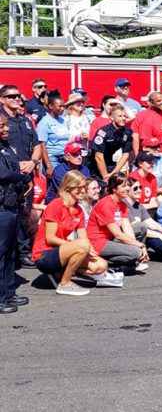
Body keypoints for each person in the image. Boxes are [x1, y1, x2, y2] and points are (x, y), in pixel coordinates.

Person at [32, 171, 113, 296]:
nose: (83, 191)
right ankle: (65, 283)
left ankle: (60, 273)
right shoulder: (56, 205)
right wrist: (76, 246)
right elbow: (50, 238)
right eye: (79, 188)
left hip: (62, 251)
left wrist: (92, 253)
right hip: (44, 255)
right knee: (82, 246)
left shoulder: (79, 210)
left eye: (84, 188)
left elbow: (84, 237)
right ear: (68, 187)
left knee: (101, 265)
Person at [0, 84, 41, 268]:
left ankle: (23, 252)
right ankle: (12, 254)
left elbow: (38, 145)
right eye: (12, 96)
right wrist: (18, 166)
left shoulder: (25, 120)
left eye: (19, 96)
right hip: (8, 175)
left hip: (26, 175)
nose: (18, 99)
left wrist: (32, 162)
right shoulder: (2, 121)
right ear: (2, 100)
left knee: (23, 213)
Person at [86, 173, 150, 270]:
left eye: (128, 185)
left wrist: (137, 245)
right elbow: (118, 234)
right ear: (114, 189)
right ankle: (102, 261)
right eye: (124, 186)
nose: (128, 188)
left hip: (110, 238)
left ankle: (132, 261)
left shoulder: (122, 204)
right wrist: (140, 246)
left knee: (141, 227)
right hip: (97, 242)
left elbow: (127, 228)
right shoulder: (105, 204)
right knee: (135, 252)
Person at [0, 114, 30, 313]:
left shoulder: (7, 147)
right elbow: (3, 174)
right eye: (1, 126)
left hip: (13, 205)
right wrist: (22, 176)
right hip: (1, 208)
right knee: (1, 253)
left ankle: (9, 293)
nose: (6, 129)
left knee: (10, 253)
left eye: (6, 125)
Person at [90, 104, 133, 183]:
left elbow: (125, 155)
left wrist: (114, 174)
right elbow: (98, 157)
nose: (123, 118)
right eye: (120, 116)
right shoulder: (103, 132)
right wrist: (106, 179)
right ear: (112, 117)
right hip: (95, 165)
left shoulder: (127, 132)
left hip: (111, 163)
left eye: (124, 116)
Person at [37, 94, 72, 175]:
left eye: (64, 106)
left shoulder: (63, 121)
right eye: (60, 106)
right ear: (51, 106)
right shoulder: (44, 122)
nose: (62, 109)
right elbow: (42, 146)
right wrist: (49, 166)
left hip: (65, 157)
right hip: (52, 158)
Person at [131, 92, 162, 157]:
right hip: (154, 158)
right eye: (159, 101)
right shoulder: (146, 118)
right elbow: (145, 142)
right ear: (151, 103)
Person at [63, 92, 91, 156]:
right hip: (72, 154)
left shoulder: (88, 118)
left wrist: (89, 137)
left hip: (87, 154)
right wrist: (78, 137)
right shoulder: (66, 120)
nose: (81, 104)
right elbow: (63, 139)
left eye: (82, 102)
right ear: (71, 105)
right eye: (78, 102)